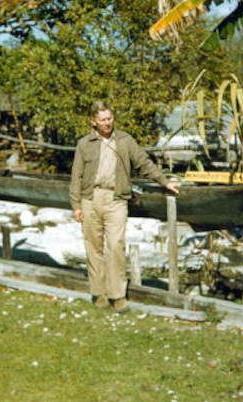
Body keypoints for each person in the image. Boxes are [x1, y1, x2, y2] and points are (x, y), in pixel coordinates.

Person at [70, 101, 179, 313]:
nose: (107, 123)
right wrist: (76, 205)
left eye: (109, 118)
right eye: (102, 119)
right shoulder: (84, 144)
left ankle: (117, 296)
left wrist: (164, 182)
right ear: (93, 121)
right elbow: (76, 177)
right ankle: (99, 293)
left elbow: (144, 163)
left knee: (116, 246)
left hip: (116, 199)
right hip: (90, 199)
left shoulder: (125, 140)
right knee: (93, 248)